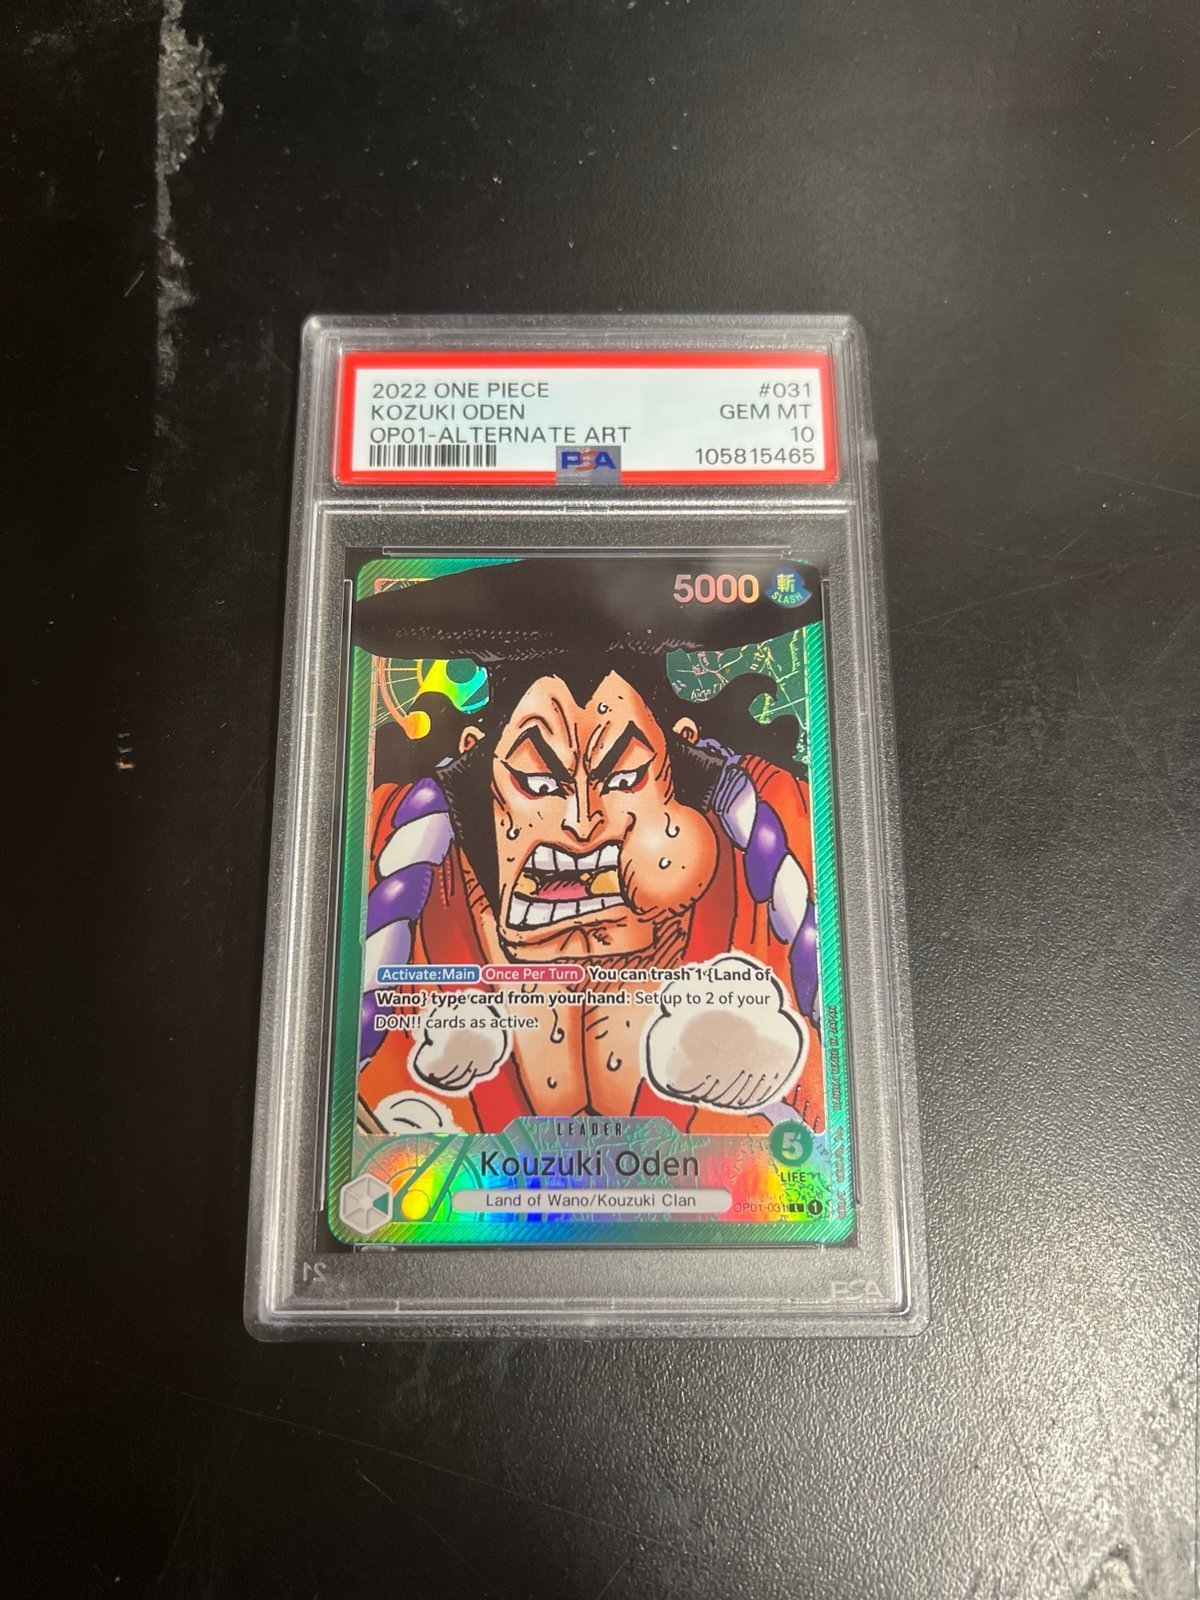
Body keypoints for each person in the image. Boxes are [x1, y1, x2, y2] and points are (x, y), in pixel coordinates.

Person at [351, 555, 826, 1139]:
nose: (582, 820)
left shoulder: (783, 822)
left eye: (623, 776)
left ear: (680, 753)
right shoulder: (386, 842)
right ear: (477, 757)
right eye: (538, 781)